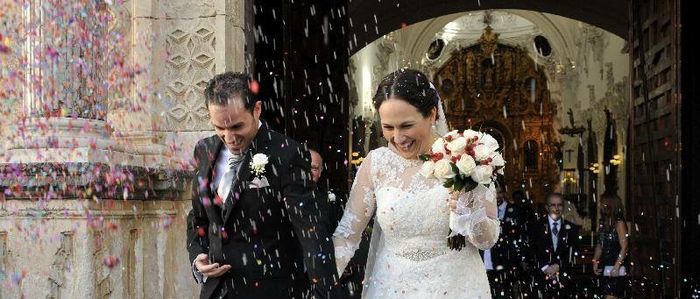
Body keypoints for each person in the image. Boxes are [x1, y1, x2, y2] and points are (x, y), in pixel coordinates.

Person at [332, 68, 500, 298]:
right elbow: (347, 235)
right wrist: (322, 283)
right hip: (390, 286)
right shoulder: (377, 163)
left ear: (432, 114)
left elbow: (487, 241)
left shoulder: (466, 156)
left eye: (406, 125)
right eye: (388, 127)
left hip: (457, 285)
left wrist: (469, 209)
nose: (398, 138)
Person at [186, 72, 339, 299]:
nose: (229, 137)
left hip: (272, 291)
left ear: (256, 109)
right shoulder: (204, 150)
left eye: (237, 126)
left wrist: (324, 294)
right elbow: (198, 218)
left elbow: (312, 232)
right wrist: (198, 256)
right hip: (216, 292)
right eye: (220, 127)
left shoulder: (288, 154)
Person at [529, 193, 580, 298]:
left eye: (559, 205)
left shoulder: (572, 229)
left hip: (564, 280)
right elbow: (531, 250)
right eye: (553, 205)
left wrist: (559, 265)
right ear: (547, 207)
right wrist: (545, 267)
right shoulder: (535, 227)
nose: (557, 208)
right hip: (541, 278)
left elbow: (574, 251)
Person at [481, 185, 528, 298]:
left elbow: (520, 235)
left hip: (506, 261)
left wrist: (520, 258)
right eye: (494, 193)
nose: (497, 196)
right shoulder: (481, 210)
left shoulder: (515, 211)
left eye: (499, 192)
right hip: (485, 259)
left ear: (504, 193)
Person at [592, 192, 628, 299]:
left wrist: (617, 266)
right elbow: (600, 244)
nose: (599, 206)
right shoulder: (604, 222)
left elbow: (624, 246)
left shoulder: (619, 223)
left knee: (611, 295)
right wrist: (595, 260)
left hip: (616, 264)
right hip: (606, 264)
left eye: (602, 203)